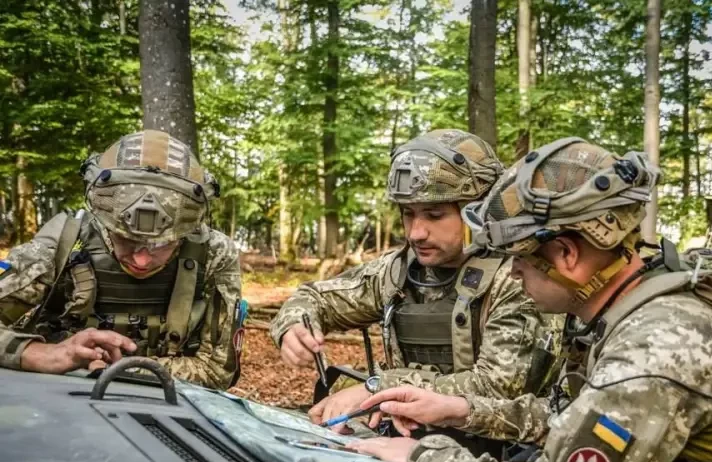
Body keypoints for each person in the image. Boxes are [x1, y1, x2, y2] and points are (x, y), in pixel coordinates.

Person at [348, 137, 712, 462]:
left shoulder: (661, 343)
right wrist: (460, 410)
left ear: (565, 253)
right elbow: (573, 418)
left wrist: (422, 455)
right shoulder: (639, 302)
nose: (514, 271)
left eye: (519, 258)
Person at [271, 129, 561, 436]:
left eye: (434, 215)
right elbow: (316, 298)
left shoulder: (519, 276)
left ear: (478, 210)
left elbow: (498, 390)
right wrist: (294, 325)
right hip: (406, 444)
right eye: (408, 214)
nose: (416, 233)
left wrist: (381, 388)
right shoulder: (399, 271)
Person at [0, 130, 243, 389]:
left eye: (160, 244)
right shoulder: (64, 242)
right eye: (125, 240)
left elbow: (217, 371)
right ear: (104, 223)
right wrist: (40, 353)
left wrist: (119, 370)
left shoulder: (213, 252)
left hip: (170, 405)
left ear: (186, 232)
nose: (140, 260)